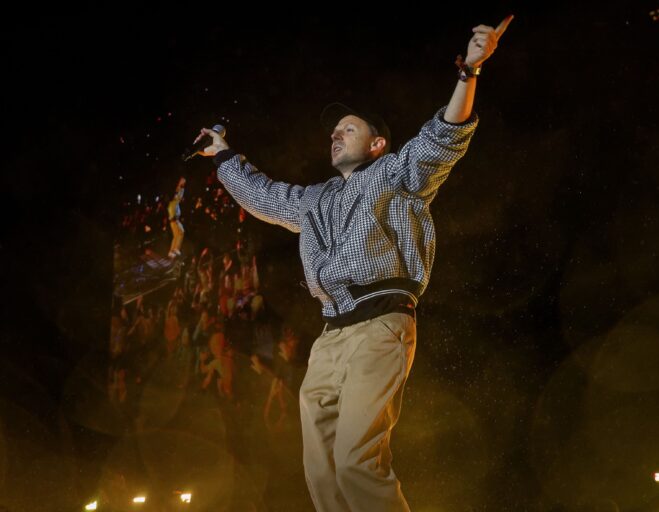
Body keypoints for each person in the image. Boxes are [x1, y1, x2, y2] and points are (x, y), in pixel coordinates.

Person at [194, 15, 513, 512]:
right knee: (321, 468)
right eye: (334, 131)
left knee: (355, 460)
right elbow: (263, 195)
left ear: (377, 143)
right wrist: (223, 156)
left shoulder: (395, 175)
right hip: (331, 337)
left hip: (381, 322)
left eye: (349, 128)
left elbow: (442, 138)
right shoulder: (314, 200)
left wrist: (468, 73)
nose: (336, 136)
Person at [167, 176, 186, 258]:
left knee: (176, 235)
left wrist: (180, 185)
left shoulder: (173, 203)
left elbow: (178, 194)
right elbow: (179, 195)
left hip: (173, 221)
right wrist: (181, 185)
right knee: (181, 232)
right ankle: (175, 249)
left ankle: (171, 251)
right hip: (174, 221)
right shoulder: (174, 202)